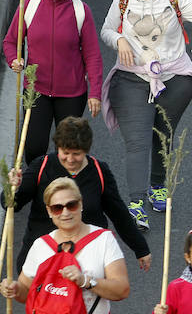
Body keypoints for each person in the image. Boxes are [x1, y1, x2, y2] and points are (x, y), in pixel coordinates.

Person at [100, 0, 192, 229]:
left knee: (162, 134)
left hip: (176, 79)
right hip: (131, 79)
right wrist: (119, 39)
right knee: (138, 141)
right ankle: (136, 205)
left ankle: (158, 186)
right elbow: (106, 29)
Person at [2, 117, 150, 273]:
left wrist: (141, 248)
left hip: (87, 258)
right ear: (57, 148)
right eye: (65, 153)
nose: (70, 159)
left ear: (86, 150)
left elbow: (118, 213)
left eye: (77, 154)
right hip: (43, 255)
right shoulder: (41, 166)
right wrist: (11, 188)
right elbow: (12, 205)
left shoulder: (100, 171)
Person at [2, 0, 103, 165]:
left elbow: (92, 55)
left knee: (68, 150)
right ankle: (40, 192)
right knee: (34, 148)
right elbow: (11, 42)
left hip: (72, 93)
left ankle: (63, 194)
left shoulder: (80, 10)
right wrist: (15, 60)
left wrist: (95, 92)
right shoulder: (28, 5)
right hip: (36, 91)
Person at [0, 178, 130, 314]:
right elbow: (26, 292)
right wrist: (14, 289)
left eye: (71, 205)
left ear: (80, 204)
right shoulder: (40, 245)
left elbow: (122, 290)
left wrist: (85, 280)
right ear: (49, 211)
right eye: (57, 208)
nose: (65, 213)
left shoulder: (103, 239)